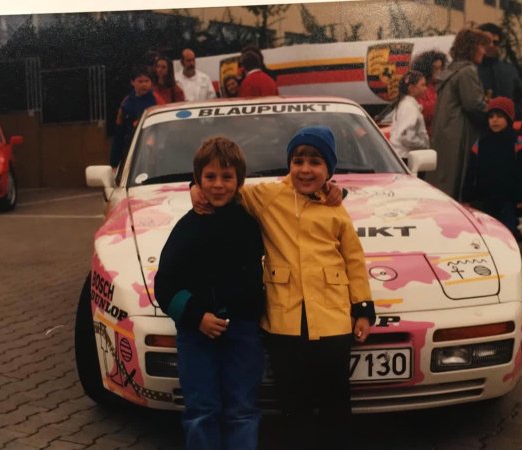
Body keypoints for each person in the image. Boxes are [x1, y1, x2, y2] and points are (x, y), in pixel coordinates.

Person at [190, 126, 375, 450]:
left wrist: (362, 308)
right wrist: (194, 188)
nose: (305, 169)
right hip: (283, 321)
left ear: (329, 169)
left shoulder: (335, 206)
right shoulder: (269, 197)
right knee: (292, 400)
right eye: (298, 161)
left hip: (332, 320)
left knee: (335, 398)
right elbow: (227, 188)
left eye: (315, 162)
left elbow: (353, 258)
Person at [154, 137, 265, 450]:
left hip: (243, 334)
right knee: (202, 411)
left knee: (242, 410)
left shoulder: (251, 223)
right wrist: (196, 316)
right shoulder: (186, 228)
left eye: (227, 177)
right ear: (198, 180)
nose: (218, 185)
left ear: (239, 181)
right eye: (210, 177)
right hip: (196, 336)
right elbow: (165, 285)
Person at [428, 28, 490, 200]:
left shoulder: (451, 70)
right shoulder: (467, 71)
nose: (484, 51)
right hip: (460, 137)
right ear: (472, 47)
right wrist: (493, 115)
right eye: (482, 46)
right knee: (458, 188)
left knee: (443, 184)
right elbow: (474, 106)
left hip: (446, 136)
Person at [463, 97, 522, 243]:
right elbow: (471, 171)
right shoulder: (482, 142)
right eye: (491, 116)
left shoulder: (517, 143)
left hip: (508, 199)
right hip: (484, 198)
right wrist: (466, 197)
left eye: (500, 116)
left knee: (506, 234)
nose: (494, 120)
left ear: (508, 118)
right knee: (486, 234)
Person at [109, 65, 165, 167]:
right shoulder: (126, 103)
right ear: (132, 82)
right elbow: (119, 133)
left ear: (151, 82)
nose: (144, 84)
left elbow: (165, 127)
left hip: (155, 150)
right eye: (140, 81)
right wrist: (114, 162)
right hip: (131, 149)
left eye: (147, 81)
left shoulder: (157, 100)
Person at [477, 22, 522, 118]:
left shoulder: (509, 70)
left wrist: (513, 116)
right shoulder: (470, 70)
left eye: (495, 43)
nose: (491, 46)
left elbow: (520, 96)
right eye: (487, 42)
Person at [389, 70, 430, 161]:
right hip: (406, 156)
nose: (425, 88)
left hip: (402, 154)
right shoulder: (409, 107)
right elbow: (406, 136)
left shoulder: (405, 104)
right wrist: (424, 144)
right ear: (411, 88)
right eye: (422, 85)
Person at [410, 50, 448, 135]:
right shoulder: (420, 87)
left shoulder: (439, 86)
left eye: (440, 68)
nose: (439, 72)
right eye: (435, 69)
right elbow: (420, 111)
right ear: (427, 69)